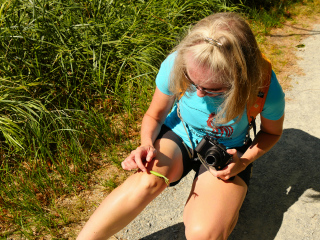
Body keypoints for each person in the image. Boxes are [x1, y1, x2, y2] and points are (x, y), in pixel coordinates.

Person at [77, 12, 285, 240]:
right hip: (181, 133)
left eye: (212, 90)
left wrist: (243, 162)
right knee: (145, 183)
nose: (198, 93)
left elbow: (271, 132)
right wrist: (146, 144)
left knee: (204, 233)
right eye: (191, 81)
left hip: (228, 151)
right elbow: (155, 115)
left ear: (240, 78)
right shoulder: (178, 61)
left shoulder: (264, 87)